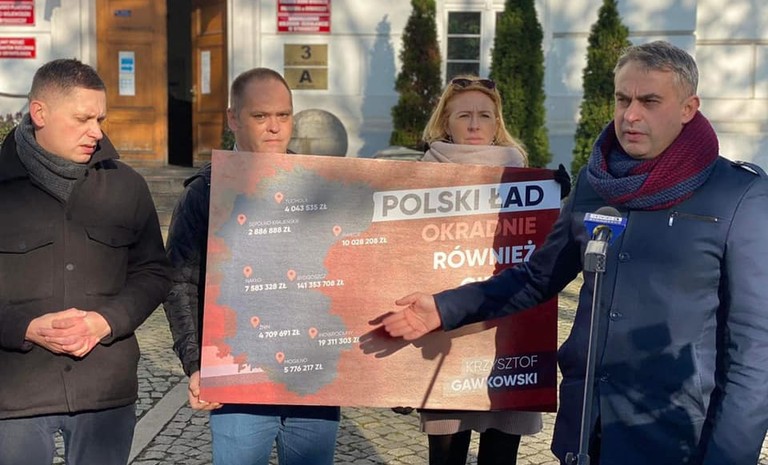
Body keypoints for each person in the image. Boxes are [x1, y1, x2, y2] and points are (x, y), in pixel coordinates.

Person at [381, 40, 768, 465]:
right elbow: (536, 278)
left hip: (675, 436)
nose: (630, 115)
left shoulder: (738, 195)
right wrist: (443, 308)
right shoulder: (593, 183)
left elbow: (754, 353)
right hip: (586, 432)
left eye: (649, 101)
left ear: (688, 108)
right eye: (622, 99)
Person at [163, 67, 340, 465]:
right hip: (237, 382)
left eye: (284, 115)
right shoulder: (205, 192)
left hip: (311, 377)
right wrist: (197, 364)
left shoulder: (320, 187)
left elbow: (350, 277)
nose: (275, 127)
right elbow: (179, 282)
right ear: (233, 119)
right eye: (260, 116)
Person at [0, 58, 171, 465]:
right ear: (39, 113)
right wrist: (23, 327)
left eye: (100, 119)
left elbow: (153, 272)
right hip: (14, 394)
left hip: (104, 390)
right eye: (82, 119)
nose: (96, 131)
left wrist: (106, 321)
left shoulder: (127, 186)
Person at [405, 75, 546, 465]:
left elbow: (544, 262)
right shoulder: (418, 178)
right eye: (463, 115)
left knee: (501, 456)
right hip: (444, 338)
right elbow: (402, 262)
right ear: (445, 122)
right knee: (445, 456)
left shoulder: (523, 174)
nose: (474, 124)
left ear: (497, 123)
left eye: (484, 115)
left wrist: (554, 209)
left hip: (507, 340)